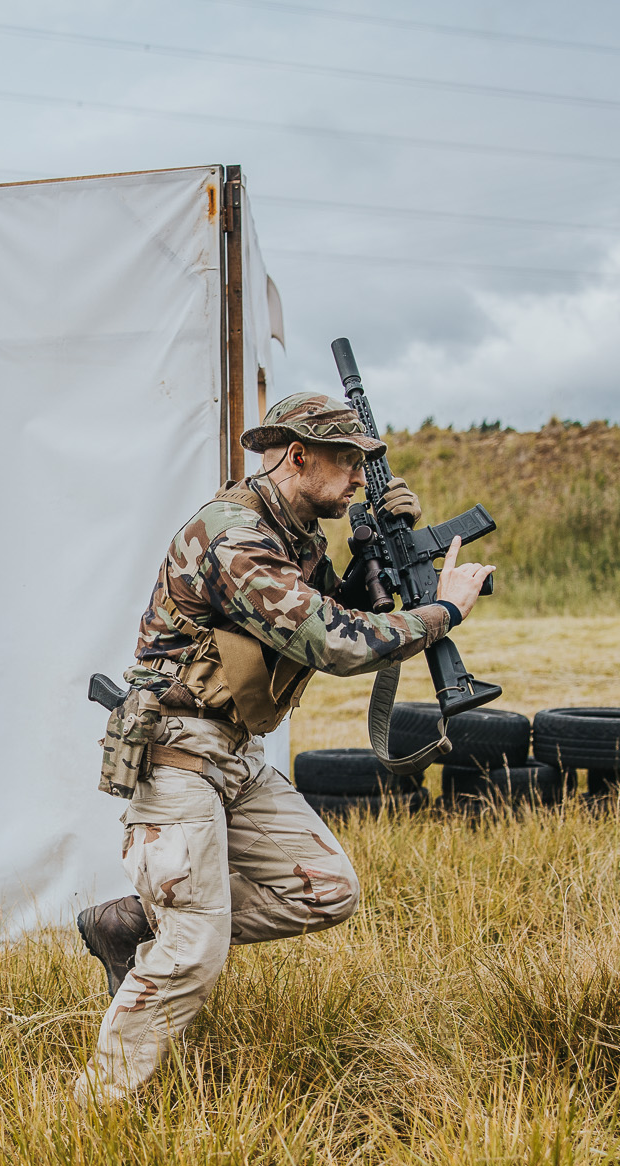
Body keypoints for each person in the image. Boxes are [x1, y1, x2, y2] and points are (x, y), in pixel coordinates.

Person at [73, 393, 494, 1103]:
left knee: (329, 887)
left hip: (233, 755)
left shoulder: (295, 535)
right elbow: (332, 640)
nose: (360, 478)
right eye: (347, 461)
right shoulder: (234, 537)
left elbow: (326, 608)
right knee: (194, 952)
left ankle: (133, 920)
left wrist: (371, 558)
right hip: (177, 751)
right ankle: (88, 1113)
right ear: (298, 457)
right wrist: (443, 609)